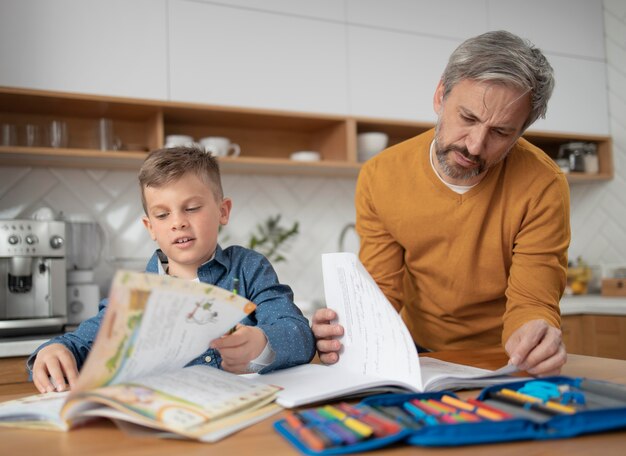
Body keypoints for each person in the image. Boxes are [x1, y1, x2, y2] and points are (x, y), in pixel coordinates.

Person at [313, 30, 570, 376]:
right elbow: (383, 291)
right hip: (419, 352)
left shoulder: (544, 184)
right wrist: (352, 330)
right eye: (468, 118)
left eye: (501, 132)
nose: (476, 146)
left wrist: (535, 333)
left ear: (522, 131)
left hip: (505, 356)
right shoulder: (381, 175)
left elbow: (533, 300)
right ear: (440, 96)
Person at [29, 146, 315, 393]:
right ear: (150, 227)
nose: (177, 222)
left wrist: (263, 343)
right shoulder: (137, 294)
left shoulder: (249, 268)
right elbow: (82, 343)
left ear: (223, 211)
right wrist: (54, 351)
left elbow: (299, 333)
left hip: (248, 415)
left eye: (191, 208)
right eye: (163, 214)